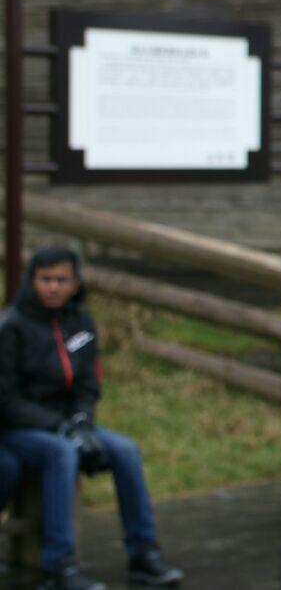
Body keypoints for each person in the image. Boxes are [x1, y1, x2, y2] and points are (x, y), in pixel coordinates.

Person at [0, 247, 184, 590]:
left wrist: (82, 422)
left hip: (70, 422)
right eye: (45, 279)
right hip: (20, 430)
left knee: (125, 450)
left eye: (61, 280)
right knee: (61, 453)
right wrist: (61, 428)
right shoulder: (11, 326)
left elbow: (88, 384)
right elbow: (6, 400)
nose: (53, 287)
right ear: (31, 281)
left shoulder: (81, 323)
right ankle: (59, 566)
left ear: (75, 284)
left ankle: (144, 554)